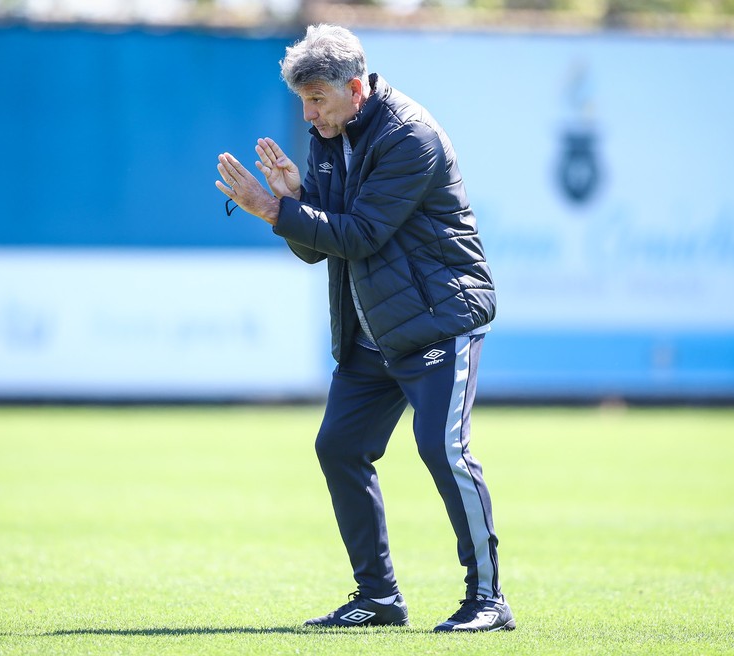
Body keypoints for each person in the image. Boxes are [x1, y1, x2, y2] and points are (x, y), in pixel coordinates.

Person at [214, 24, 514, 633]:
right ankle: (378, 599)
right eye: (303, 101)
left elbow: (361, 235)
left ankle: (488, 599)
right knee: (339, 447)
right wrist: (296, 198)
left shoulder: (410, 136)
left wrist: (274, 209)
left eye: (317, 99)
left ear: (355, 88)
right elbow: (316, 248)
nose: (309, 114)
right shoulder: (329, 134)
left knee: (442, 449)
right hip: (372, 330)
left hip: (437, 320)